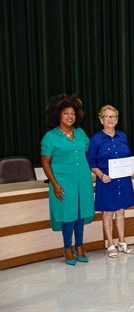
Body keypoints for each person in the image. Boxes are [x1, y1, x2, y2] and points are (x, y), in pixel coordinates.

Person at [40, 94, 94, 265]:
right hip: (63, 181)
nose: (70, 116)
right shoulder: (50, 137)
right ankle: (67, 248)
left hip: (82, 180)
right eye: (66, 113)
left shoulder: (80, 133)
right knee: (67, 215)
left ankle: (80, 246)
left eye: (73, 113)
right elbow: (45, 162)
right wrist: (54, 184)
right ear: (58, 115)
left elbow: (90, 152)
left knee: (80, 214)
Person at [88, 105, 134, 258]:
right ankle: (110, 244)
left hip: (123, 180)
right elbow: (91, 162)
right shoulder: (96, 139)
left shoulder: (122, 136)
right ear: (101, 120)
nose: (110, 119)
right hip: (106, 181)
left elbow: (128, 156)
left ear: (117, 119)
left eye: (112, 117)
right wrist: (101, 175)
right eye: (106, 117)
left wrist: (132, 170)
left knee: (121, 211)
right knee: (108, 213)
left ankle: (122, 242)